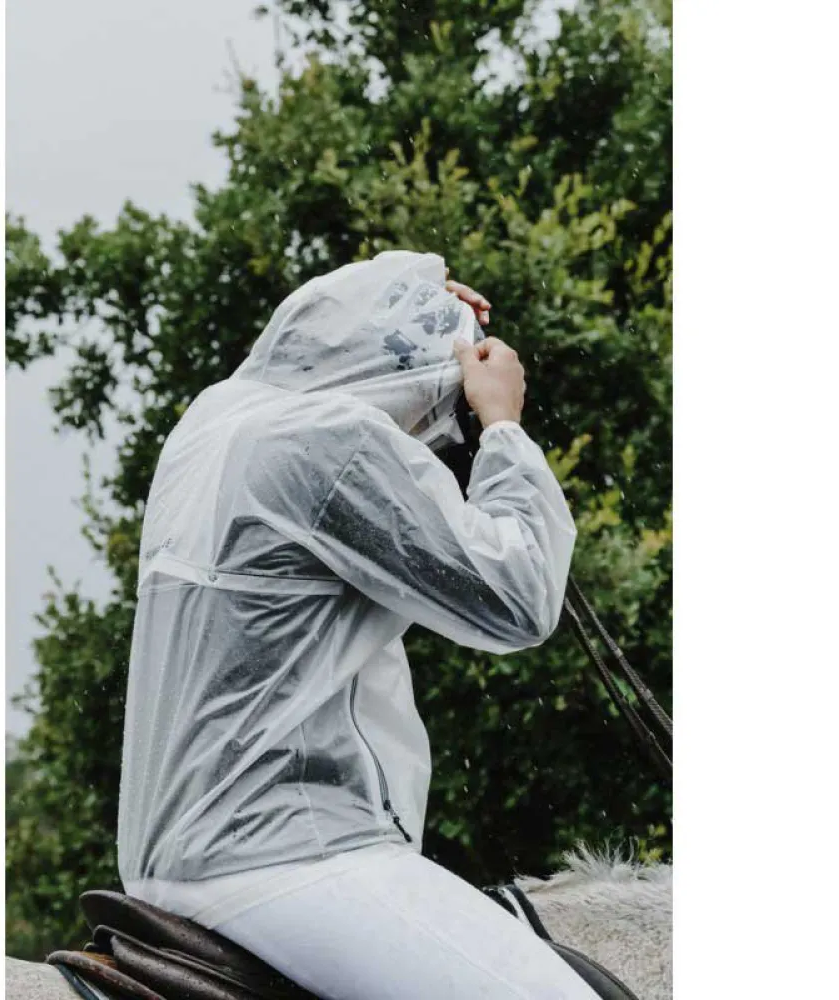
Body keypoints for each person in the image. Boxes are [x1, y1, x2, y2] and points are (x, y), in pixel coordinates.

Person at [117, 250, 595, 998]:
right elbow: (519, 597)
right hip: (292, 856)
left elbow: (327, 339)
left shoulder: (212, 425)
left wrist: (412, 301)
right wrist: (501, 425)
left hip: (170, 861)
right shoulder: (331, 439)